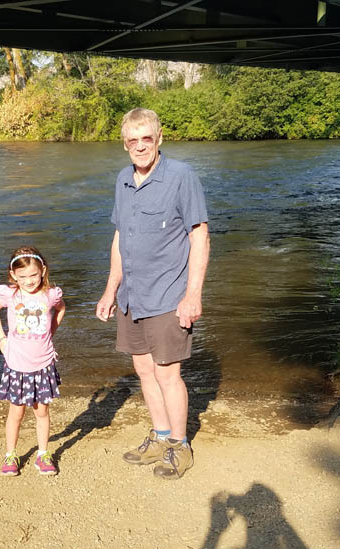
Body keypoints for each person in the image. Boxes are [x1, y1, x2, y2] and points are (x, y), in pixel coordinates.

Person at [95, 107, 210, 480]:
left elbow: (199, 235)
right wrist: (110, 289)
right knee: (143, 369)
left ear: (159, 138)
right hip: (132, 295)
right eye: (133, 140)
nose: (140, 146)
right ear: (124, 144)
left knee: (167, 373)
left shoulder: (181, 176)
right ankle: (161, 437)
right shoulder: (121, 180)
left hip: (167, 294)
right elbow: (119, 238)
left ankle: (180, 446)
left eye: (147, 138)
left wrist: (193, 295)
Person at [0, 246, 66, 476]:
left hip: (43, 363)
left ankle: (43, 454)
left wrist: (51, 331)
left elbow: (61, 309)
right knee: (16, 412)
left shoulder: (50, 294)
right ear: (13, 275)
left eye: (33, 275)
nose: (29, 281)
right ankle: (10, 454)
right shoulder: (10, 295)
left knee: (42, 411)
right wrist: (1, 338)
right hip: (17, 365)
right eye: (22, 277)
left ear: (43, 270)